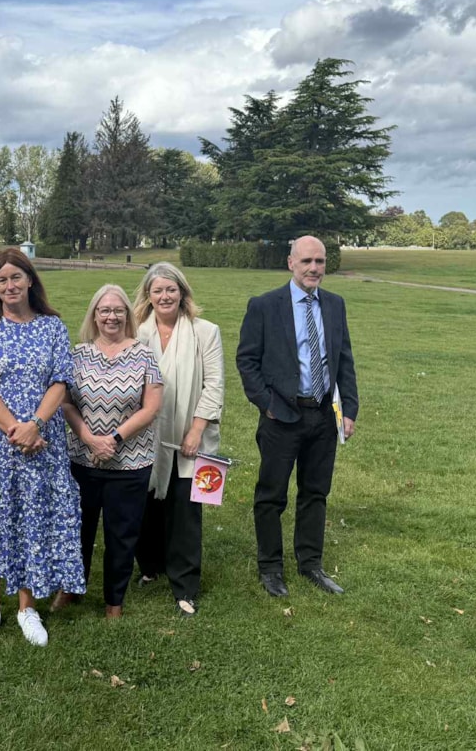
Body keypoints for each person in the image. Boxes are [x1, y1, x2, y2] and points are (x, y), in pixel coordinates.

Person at [0, 248, 83, 646]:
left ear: (30, 280)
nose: (9, 285)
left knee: (33, 514)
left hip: (43, 438)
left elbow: (60, 382)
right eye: (1, 280)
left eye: (16, 277)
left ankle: (27, 607)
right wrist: (14, 429)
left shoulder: (52, 327)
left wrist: (36, 425)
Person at [236, 235, 359, 597]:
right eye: (306, 261)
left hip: (323, 416)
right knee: (271, 495)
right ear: (291, 263)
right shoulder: (264, 306)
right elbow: (247, 361)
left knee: (315, 493)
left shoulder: (335, 305)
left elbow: (344, 361)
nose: (314, 269)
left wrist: (348, 409)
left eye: (319, 262)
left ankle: (311, 564)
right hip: (282, 416)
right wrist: (268, 404)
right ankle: (271, 568)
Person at [56, 284, 163, 619]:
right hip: (82, 459)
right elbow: (65, 402)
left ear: (127, 315)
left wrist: (113, 439)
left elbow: (151, 407)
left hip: (130, 462)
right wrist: (89, 438)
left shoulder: (145, 354)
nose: (111, 316)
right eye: (104, 310)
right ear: (94, 315)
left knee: (122, 532)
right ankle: (72, 587)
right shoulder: (78, 354)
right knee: (77, 529)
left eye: (118, 310)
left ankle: (114, 600)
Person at [133, 262, 224, 617]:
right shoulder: (138, 333)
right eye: (158, 290)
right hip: (147, 436)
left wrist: (197, 429)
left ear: (182, 293)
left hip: (191, 436)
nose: (165, 296)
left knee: (185, 511)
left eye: (171, 289)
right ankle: (151, 567)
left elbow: (214, 384)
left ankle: (185, 584)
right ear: (148, 296)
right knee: (148, 505)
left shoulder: (205, 332)